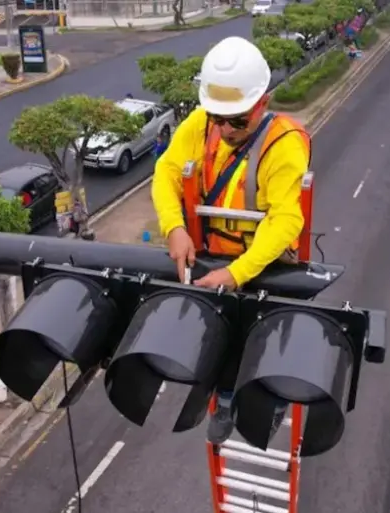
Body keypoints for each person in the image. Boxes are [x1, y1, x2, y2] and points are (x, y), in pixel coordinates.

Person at [151, 36, 311, 444]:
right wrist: (175, 227)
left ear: (263, 102)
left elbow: (286, 218)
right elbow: (166, 173)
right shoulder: (204, 123)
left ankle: (270, 402)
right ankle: (224, 398)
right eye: (217, 118)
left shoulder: (283, 145)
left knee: (267, 337)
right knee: (217, 333)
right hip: (210, 254)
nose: (224, 130)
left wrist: (238, 273)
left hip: (262, 261)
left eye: (236, 121)